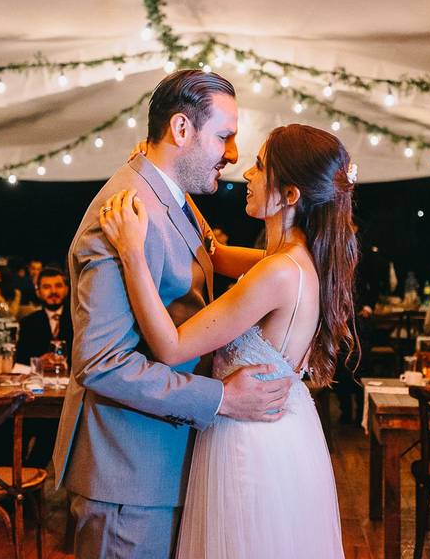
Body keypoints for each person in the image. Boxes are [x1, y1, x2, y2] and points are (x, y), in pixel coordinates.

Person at [52, 70, 295, 559]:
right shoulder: (121, 216)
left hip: (164, 465)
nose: (232, 155)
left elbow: (213, 258)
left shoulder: (171, 198)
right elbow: (101, 363)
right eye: (224, 137)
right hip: (129, 479)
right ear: (181, 130)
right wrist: (220, 399)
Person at [101, 122, 352, 558]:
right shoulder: (289, 260)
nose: (247, 176)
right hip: (282, 433)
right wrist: (163, 177)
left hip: (251, 445)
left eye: (259, 167)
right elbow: (211, 251)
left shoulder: (276, 273)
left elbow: (172, 347)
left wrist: (132, 255)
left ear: (290, 195)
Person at [16, 267, 72, 366]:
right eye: (47, 287)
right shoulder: (28, 323)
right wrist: (39, 362)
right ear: (38, 292)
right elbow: (21, 361)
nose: (53, 291)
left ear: (67, 289)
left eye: (58, 286)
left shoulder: (79, 320)